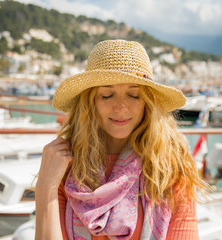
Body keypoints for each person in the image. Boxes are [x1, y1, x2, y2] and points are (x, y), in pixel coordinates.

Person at [35, 39, 209, 240]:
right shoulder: (63, 166)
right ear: (90, 102)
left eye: (134, 95)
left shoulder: (171, 169)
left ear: (148, 103)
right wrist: (45, 187)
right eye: (107, 95)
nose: (121, 107)